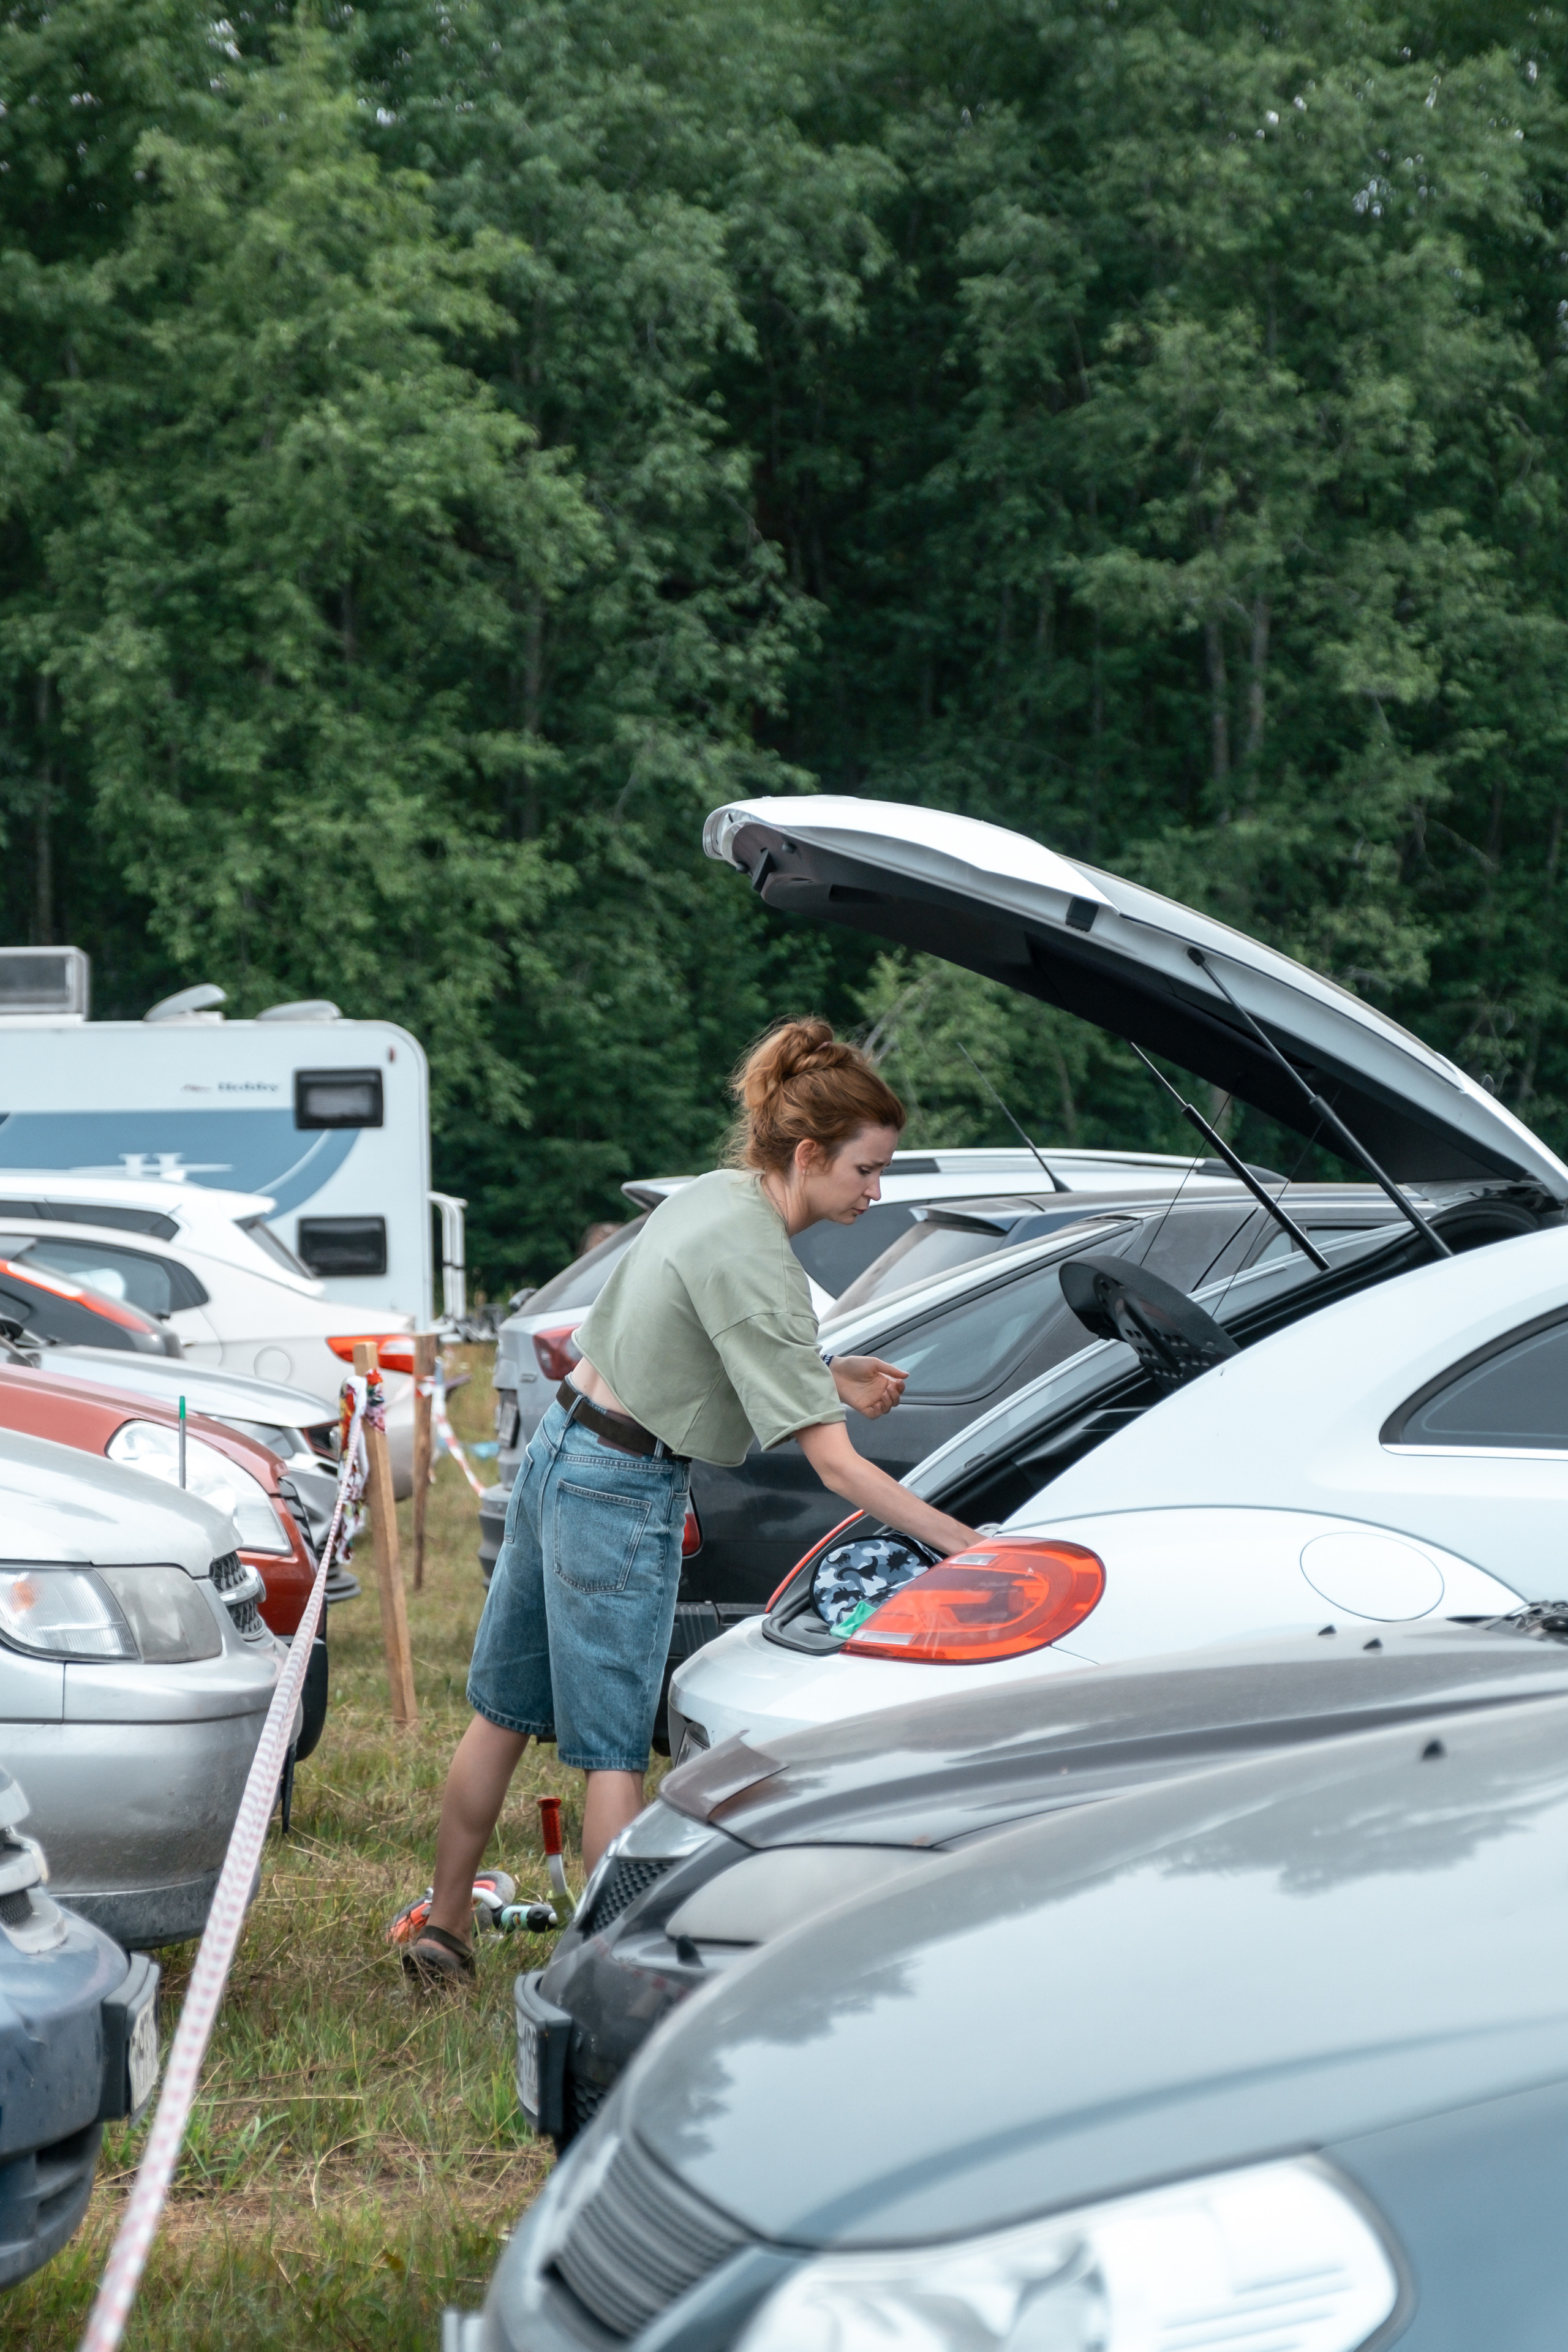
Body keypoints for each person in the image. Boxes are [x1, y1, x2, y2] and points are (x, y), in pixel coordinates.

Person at [390, 1019, 980, 1983]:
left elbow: (698, 1342)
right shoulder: (763, 1269)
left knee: (499, 1715)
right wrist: (961, 1544)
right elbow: (836, 1470)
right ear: (808, 1154)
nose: (877, 1193)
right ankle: (606, 1975)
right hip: (620, 1488)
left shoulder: (715, 1200)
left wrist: (831, 1373)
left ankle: (445, 1930)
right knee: (614, 1752)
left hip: (564, 1446)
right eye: (868, 1171)